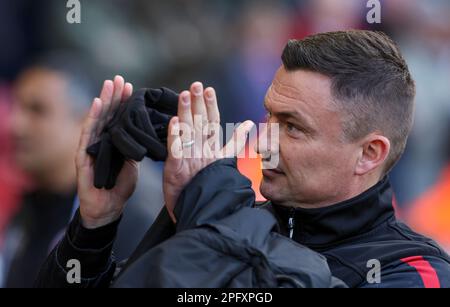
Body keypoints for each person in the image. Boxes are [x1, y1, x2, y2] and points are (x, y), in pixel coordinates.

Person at [36, 30, 450, 288]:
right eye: (268, 114)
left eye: (292, 126)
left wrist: (209, 203)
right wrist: (95, 227)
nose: (263, 141)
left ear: (369, 153)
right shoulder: (237, 221)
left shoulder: (415, 270)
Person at [2, 56, 160, 288]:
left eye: (37, 110)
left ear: (87, 120)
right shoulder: (31, 208)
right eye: (17, 107)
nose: (16, 124)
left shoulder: (132, 213)